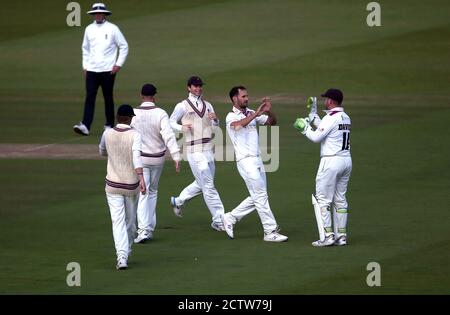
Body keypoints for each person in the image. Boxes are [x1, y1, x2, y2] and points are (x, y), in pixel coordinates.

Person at [221, 86, 288, 242]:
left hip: (257, 159)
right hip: (245, 161)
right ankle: (270, 231)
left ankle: (230, 218)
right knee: (260, 195)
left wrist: (269, 111)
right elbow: (238, 125)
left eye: (247, 96)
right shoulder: (230, 116)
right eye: (243, 96)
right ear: (234, 99)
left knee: (258, 195)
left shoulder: (250, 113)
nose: (246, 98)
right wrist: (256, 114)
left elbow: (272, 123)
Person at [293, 88, 352, 247]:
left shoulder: (331, 118)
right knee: (340, 199)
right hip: (346, 161)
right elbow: (325, 129)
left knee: (323, 199)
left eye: (326, 99)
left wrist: (304, 127)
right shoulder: (345, 117)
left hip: (330, 162)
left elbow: (316, 137)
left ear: (331, 101)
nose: (324, 101)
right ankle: (341, 236)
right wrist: (313, 115)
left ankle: (328, 236)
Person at [169, 76, 225, 231]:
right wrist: (181, 128)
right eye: (195, 86)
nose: (198, 89)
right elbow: (170, 121)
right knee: (208, 186)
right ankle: (219, 220)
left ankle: (178, 201)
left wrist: (215, 121)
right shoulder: (182, 105)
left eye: (200, 86)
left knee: (204, 184)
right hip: (194, 150)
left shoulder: (208, 105)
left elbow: (214, 128)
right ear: (189, 87)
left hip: (208, 149)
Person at [131, 84, 181, 243]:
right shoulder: (160, 113)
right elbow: (169, 136)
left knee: (143, 193)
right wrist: (176, 156)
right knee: (152, 191)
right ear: (154, 96)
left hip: (141, 159)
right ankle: (149, 229)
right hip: (158, 159)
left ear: (141, 95)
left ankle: (144, 230)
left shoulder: (133, 113)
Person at [99, 104, 146, 270]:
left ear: (118, 117)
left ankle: (122, 255)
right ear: (131, 118)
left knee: (119, 222)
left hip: (112, 185)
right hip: (130, 185)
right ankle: (124, 254)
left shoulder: (107, 133)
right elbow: (136, 157)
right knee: (130, 222)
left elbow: (102, 152)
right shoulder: (135, 135)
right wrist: (141, 178)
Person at [74, 3, 129, 136]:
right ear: (93, 15)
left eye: (100, 13)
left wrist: (118, 64)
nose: (98, 15)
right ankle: (86, 125)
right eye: (96, 13)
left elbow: (124, 46)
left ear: (104, 14)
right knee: (90, 96)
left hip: (108, 70)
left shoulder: (112, 28)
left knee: (108, 97)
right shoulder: (89, 29)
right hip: (92, 70)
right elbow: (85, 48)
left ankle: (109, 125)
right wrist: (85, 66)